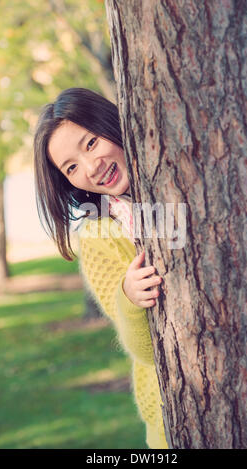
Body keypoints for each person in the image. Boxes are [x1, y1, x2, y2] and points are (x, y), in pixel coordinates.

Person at [33, 87, 168, 449]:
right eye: (71, 167)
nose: (91, 168)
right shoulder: (98, 236)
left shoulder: (177, 179)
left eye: (90, 143)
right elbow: (145, 352)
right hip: (173, 414)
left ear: (111, 123)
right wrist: (129, 297)